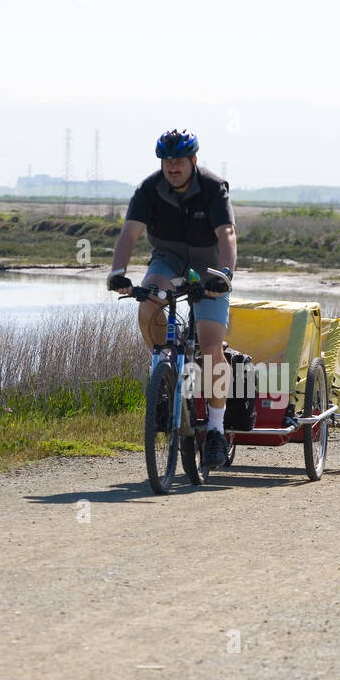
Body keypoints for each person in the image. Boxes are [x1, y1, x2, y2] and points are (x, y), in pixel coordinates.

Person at [108, 129, 237, 468]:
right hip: (167, 260)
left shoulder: (212, 188)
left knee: (211, 348)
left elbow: (227, 234)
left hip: (208, 267)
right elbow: (129, 233)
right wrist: (118, 272)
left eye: (179, 161)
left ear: (193, 161)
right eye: (166, 161)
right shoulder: (148, 189)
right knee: (148, 303)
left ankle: (216, 430)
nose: (172, 167)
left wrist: (223, 275)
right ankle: (163, 375)